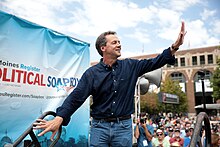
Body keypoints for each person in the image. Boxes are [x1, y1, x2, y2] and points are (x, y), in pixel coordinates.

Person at [33, 22, 186, 147]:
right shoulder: (91, 74)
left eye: (119, 42)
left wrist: (174, 47)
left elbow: (156, 61)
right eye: (114, 42)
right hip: (100, 128)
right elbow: (76, 98)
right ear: (103, 48)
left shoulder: (131, 66)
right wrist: (60, 117)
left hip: (124, 127)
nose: (119, 45)